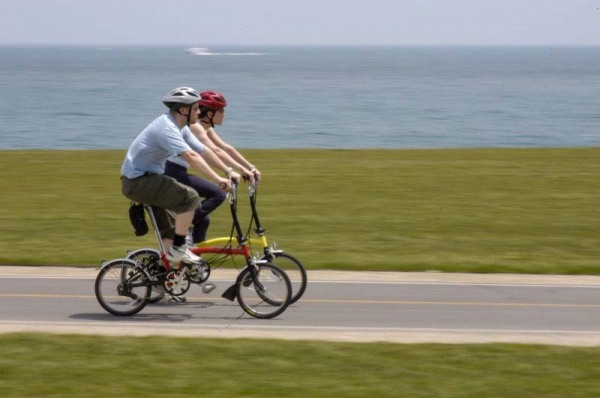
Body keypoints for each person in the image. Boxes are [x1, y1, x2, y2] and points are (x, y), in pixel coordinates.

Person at [120, 87, 233, 264]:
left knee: (173, 230)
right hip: (138, 181)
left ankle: (164, 277)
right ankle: (179, 248)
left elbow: (202, 150)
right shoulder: (167, 128)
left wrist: (227, 171)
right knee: (189, 197)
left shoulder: (181, 127)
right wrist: (218, 180)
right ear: (183, 110)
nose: (199, 111)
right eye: (196, 108)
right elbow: (191, 157)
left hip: (149, 180)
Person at [164, 90, 262, 244]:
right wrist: (231, 172)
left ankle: (192, 262)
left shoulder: (205, 127)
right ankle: (181, 230)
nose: (224, 114)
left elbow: (225, 148)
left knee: (204, 220)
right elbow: (214, 151)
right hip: (172, 172)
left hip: (177, 171)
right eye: (221, 110)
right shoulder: (195, 127)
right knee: (217, 194)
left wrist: (250, 167)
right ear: (209, 113)